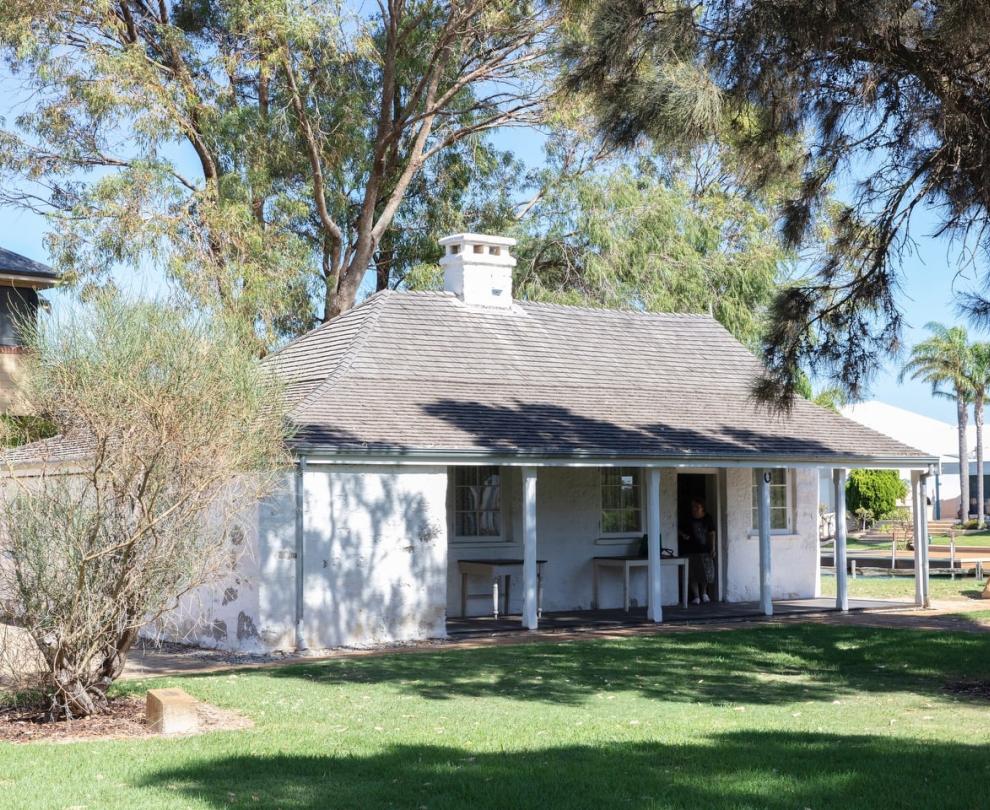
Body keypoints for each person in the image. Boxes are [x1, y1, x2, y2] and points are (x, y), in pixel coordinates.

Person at [679, 497, 716, 605]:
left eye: (697, 506)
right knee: (692, 573)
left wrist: (713, 548)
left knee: (705, 573)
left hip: (704, 550)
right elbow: (678, 529)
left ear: (702, 507)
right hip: (690, 549)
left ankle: (704, 593)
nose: (694, 509)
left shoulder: (708, 518)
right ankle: (696, 596)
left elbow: (712, 533)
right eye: (693, 506)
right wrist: (683, 535)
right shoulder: (688, 517)